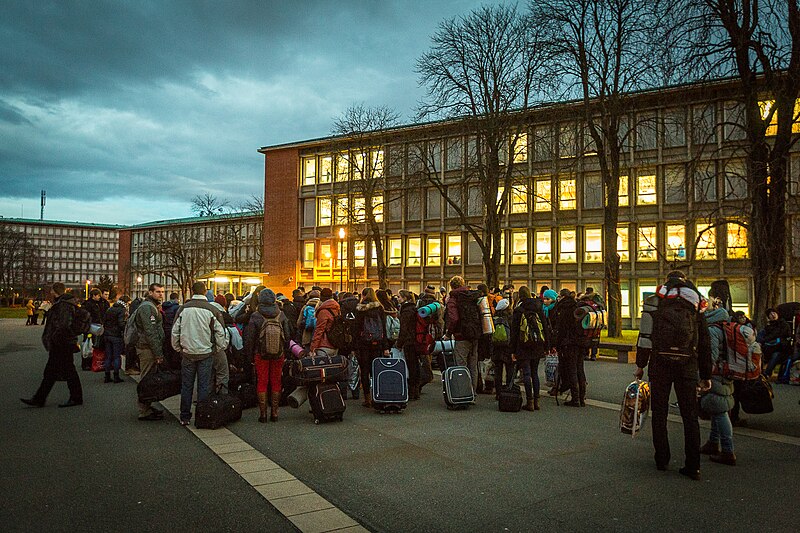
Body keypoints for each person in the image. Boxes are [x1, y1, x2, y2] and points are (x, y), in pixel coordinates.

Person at [634, 271, 712, 480]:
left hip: (660, 363)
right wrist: (706, 374)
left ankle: (662, 459)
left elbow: (645, 336)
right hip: (688, 364)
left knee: (659, 413)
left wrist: (641, 365)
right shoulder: (696, 303)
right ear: (685, 281)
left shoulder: (656, 300)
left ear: (667, 281)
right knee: (689, 416)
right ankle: (693, 465)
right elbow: (704, 341)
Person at [21, 283, 91, 408]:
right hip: (64, 342)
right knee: (53, 371)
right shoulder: (66, 303)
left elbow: (63, 325)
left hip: (61, 343)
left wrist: (54, 337)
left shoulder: (63, 305)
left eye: (52, 291)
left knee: (65, 370)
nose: (51, 293)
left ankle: (74, 397)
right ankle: (40, 398)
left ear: (55, 291)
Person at [171, 282, 229, 426]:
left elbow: (175, 331)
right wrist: (217, 348)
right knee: (203, 386)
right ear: (205, 292)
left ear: (192, 291)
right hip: (206, 353)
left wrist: (179, 348)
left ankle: (185, 416)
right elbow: (220, 332)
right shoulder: (212, 310)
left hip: (187, 352)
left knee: (186, 385)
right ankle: (202, 416)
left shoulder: (183, 309)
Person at [243, 289, 290, 422]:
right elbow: (287, 336)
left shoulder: (256, 316)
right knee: (276, 381)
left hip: (260, 354)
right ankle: (274, 413)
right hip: (278, 353)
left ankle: (263, 414)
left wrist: (249, 356)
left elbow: (249, 339)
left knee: (262, 382)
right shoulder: (281, 315)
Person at [699, 303, 736, 466]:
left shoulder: (713, 330)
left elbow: (710, 356)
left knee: (719, 410)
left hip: (716, 374)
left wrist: (704, 375)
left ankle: (728, 450)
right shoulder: (725, 327)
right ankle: (713, 443)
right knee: (717, 407)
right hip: (726, 372)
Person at [510, 286, 551, 411]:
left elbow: (514, 332)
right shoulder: (539, 308)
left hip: (523, 345)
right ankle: (537, 400)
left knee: (526, 373)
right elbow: (545, 327)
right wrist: (547, 346)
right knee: (534, 373)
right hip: (537, 344)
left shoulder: (518, 310)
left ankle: (530, 401)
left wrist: (513, 351)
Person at [133, 283, 167, 421]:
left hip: (148, 347)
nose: (161, 294)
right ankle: (143, 410)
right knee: (146, 380)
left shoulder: (151, 306)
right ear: (150, 292)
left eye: (162, 292)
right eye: (158, 292)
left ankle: (146, 406)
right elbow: (150, 332)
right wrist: (158, 354)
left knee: (149, 379)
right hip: (147, 349)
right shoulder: (147, 308)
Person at [445, 276, 481, 393]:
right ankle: (473, 392)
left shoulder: (453, 299)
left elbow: (454, 319)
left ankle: (463, 393)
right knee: (473, 366)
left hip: (461, 336)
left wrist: (448, 333)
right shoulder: (472, 296)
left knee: (461, 365)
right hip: (475, 334)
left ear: (452, 286)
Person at [550, 289, 585, 407]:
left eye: (559, 296)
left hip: (569, 343)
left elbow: (561, 329)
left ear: (563, 297)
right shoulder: (576, 306)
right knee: (580, 369)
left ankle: (575, 398)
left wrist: (556, 344)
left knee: (572, 369)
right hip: (581, 342)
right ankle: (582, 398)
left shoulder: (563, 308)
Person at [355, 287, 389, 408]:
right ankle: (377, 395)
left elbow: (357, 328)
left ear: (363, 296)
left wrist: (355, 345)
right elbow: (384, 328)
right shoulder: (379, 308)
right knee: (376, 369)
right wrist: (385, 346)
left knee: (364, 370)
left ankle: (367, 398)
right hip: (377, 343)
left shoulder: (360, 309)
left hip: (363, 343)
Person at [396, 290, 422, 400]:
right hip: (417, 340)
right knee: (415, 365)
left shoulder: (406, 311)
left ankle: (411, 392)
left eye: (399, 297)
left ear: (404, 298)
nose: (397, 298)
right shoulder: (414, 308)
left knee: (411, 366)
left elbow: (404, 328)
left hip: (409, 341)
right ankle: (416, 390)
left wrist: (399, 342)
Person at [758, 308, 793, 381]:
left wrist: (766, 340)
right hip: (770, 349)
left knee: (775, 355)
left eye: (774, 313)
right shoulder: (768, 327)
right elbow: (762, 337)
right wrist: (761, 342)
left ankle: (766, 374)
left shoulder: (784, 324)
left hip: (782, 349)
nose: (773, 315)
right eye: (770, 314)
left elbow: (777, 334)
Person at [102, 294, 130, 383]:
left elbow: (104, 321)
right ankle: (116, 376)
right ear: (125, 303)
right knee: (117, 357)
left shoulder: (110, 309)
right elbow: (121, 323)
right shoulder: (122, 310)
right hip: (116, 336)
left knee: (108, 356)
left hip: (107, 335)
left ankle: (107, 376)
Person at [491, 298, 513, 400]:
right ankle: (509, 390)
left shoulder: (494, 319)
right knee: (509, 370)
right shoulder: (511, 318)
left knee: (498, 371)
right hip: (508, 347)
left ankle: (498, 393)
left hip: (497, 348)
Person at [310, 288, 341, 357]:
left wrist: (313, 348)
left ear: (322, 297)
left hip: (324, 345)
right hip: (335, 344)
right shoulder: (337, 308)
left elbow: (319, 330)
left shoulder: (323, 311)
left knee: (322, 366)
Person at [161, 292, 181, 369]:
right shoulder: (177, 308)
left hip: (165, 329)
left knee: (168, 349)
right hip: (173, 329)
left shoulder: (165, 306)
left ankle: (168, 366)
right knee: (174, 350)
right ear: (177, 299)